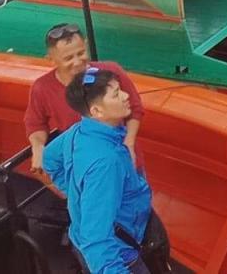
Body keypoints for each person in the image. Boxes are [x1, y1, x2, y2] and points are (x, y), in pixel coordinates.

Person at [43, 68, 170, 273]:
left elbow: (48, 158)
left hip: (100, 234)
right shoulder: (106, 163)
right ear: (96, 111)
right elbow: (96, 241)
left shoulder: (78, 131)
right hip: (121, 253)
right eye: (116, 94)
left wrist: (76, 194)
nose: (126, 96)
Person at [26, 23, 145, 174]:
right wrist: (38, 149)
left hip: (122, 156)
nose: (77, 62)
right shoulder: (42, 88)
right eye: (68, 58)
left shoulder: (112, 71)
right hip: (82, 164)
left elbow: (135, 108)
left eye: (81, 53)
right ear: (51, 59)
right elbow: (35, 124)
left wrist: (129, 143)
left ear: (86, 45)